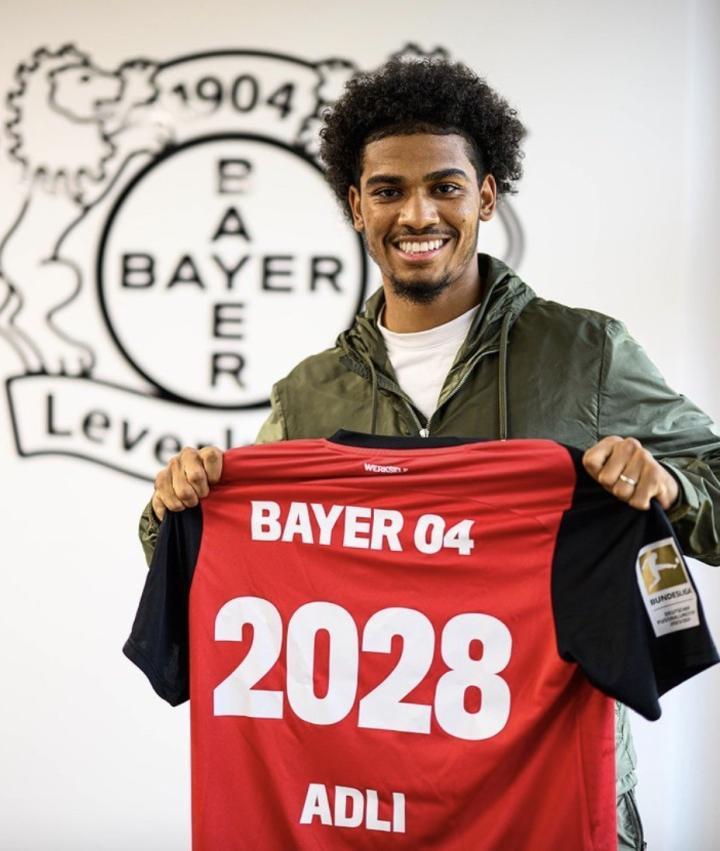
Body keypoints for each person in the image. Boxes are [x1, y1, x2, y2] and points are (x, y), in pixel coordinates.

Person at [138, 58, 720, 850]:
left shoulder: (585, 353)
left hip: (548, 801)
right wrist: (175, 503)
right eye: (388, 190)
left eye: (445, 186)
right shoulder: (308, 396)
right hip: (363, 809)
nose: (418, 213)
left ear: (486, 196)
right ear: (357, 205)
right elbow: (232, 570)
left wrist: (671, 486)